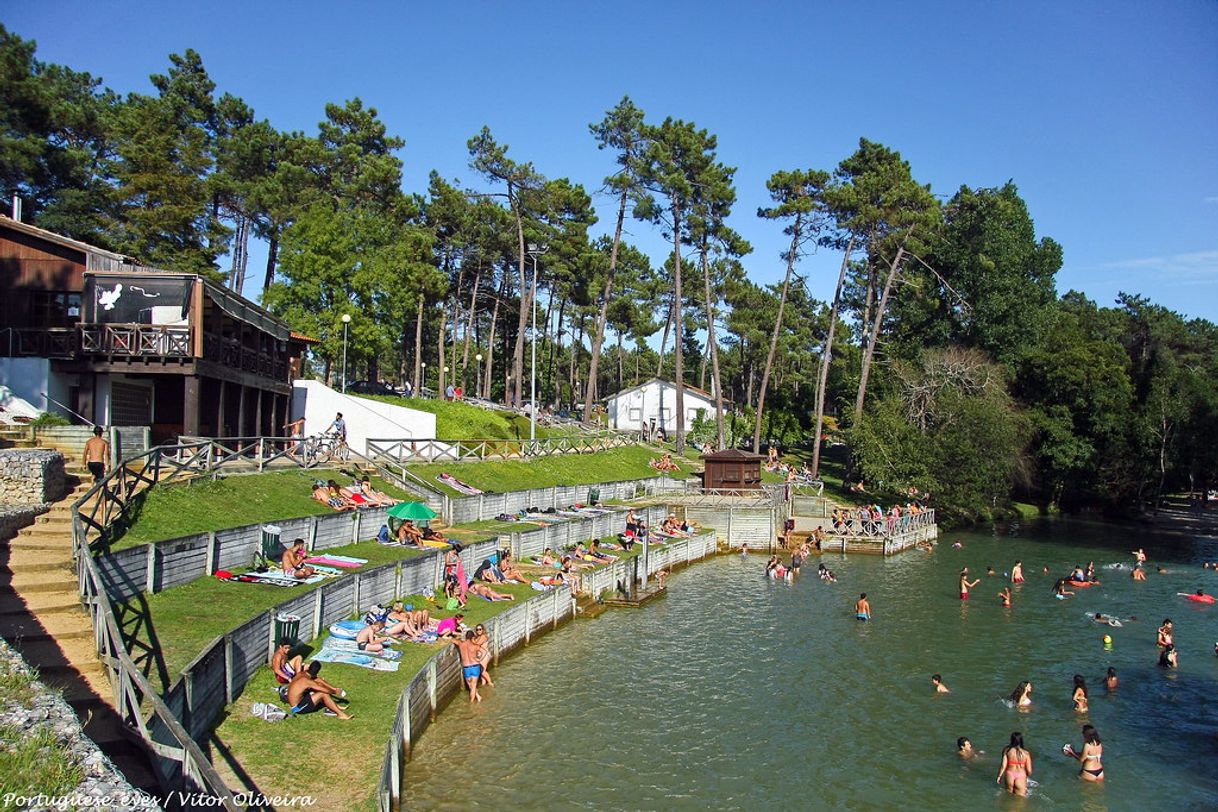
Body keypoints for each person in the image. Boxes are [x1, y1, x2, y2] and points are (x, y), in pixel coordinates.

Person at [286, 661, 351, 719]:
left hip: (298, 701)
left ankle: (335, 706)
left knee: (319, 688)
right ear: (317, 672)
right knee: (323, 694)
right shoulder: (307, 681)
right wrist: (335, 692)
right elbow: (326, 691)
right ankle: (340, 714)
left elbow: (318, 679)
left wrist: (333, 688)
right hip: (298, 708)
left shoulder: (302, 673)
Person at [997, 732, 1032, 796]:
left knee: (1008, 796)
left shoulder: (1006, 750)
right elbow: (1029, 770)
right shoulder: (1026, 753)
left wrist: (999, 776)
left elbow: (1003, 765)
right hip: (1021, 776)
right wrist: (1026, 778)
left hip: (1009, 775)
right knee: (1021, 801)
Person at [453, 630, 483, 702]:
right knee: (473, 686)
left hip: (466, 667)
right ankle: (475, 699)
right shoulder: (475, 646)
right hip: (475, 666)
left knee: (470, 686)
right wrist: (478, 658)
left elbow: (453, 640)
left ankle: (473, 700)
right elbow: (481, 653)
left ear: (466, 637)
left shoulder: (461, 644)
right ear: (473, 637)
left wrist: (456, 637)